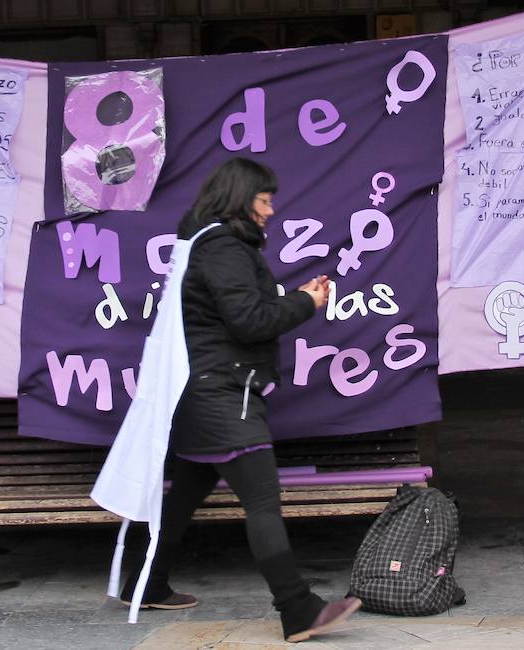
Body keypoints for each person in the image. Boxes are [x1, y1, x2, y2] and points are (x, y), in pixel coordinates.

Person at [118, 158, 360, 643]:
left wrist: (293, 297)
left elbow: (237, 312)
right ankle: (298, 610)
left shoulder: (207, 244)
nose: (271, 210)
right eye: (265, 200)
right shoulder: (224, 247)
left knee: (184, 495)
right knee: (263, 502)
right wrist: (306, 304)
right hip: (223, 394)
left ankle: (145, 584)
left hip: (204, 390)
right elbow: (248, 322)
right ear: (240, 198)